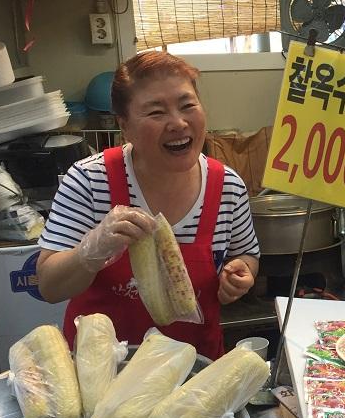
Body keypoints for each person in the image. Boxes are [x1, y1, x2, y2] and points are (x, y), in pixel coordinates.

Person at [37, 51, 260, 359]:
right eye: (156, 112)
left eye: (187, 105)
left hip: (193, 368)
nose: (178, 123)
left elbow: (245, 254)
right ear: (125, 126)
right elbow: (49, 287)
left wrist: (241, 273)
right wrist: (91, 250)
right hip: (102, 369)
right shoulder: (89, 180)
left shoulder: (228, 187)